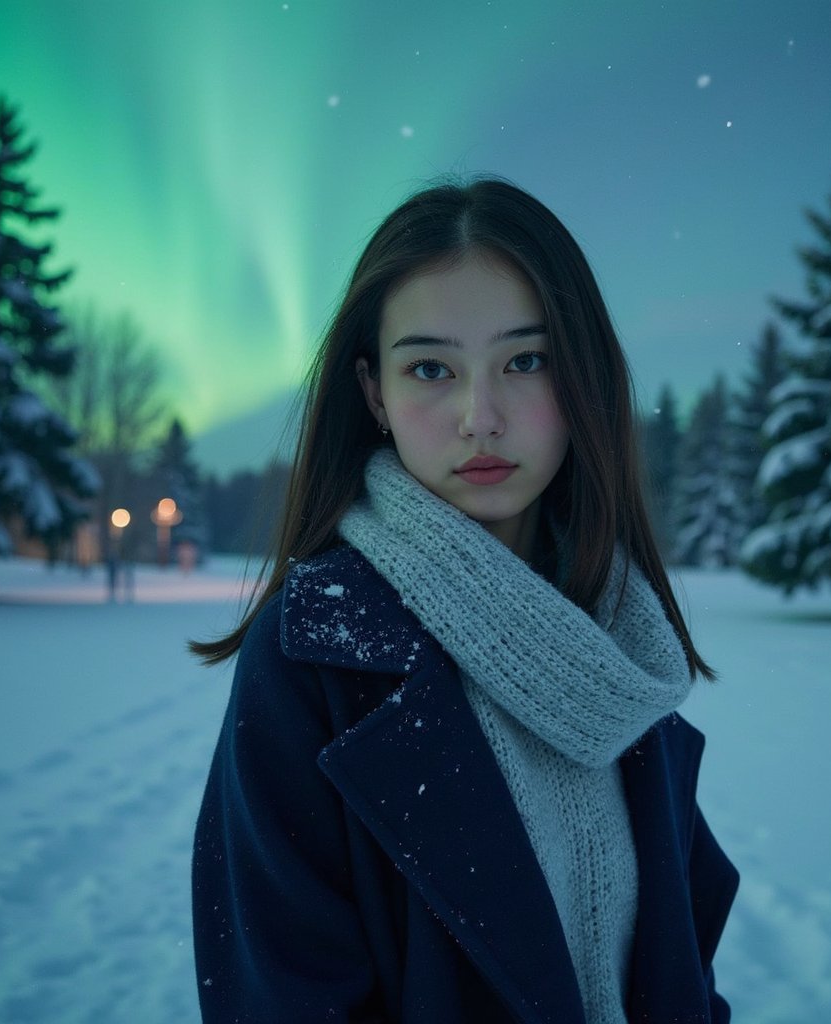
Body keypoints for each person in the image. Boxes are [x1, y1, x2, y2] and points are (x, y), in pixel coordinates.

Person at [190, 177, 738, 1023]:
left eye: (526, 360)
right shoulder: (311, 657)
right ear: (376, 393)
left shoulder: (623, 645)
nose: (481, 417)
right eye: (432, 369)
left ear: (582, 374)